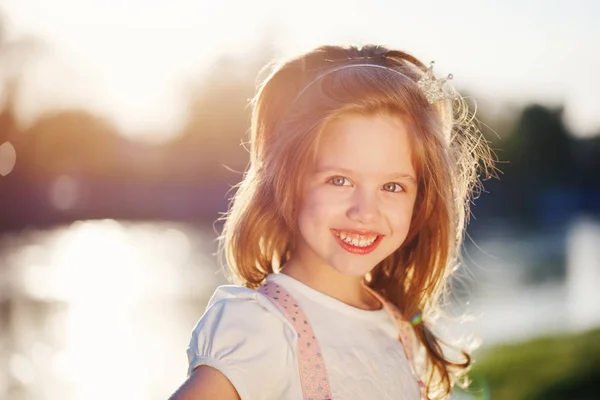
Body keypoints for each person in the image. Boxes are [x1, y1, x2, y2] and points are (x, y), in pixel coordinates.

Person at [169, 44, 495, 400]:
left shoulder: (398, 328)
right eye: (340, 180)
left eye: (392, 186)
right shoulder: (262, 327)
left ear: (420, 199)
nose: (365, 211)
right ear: (288, 181)